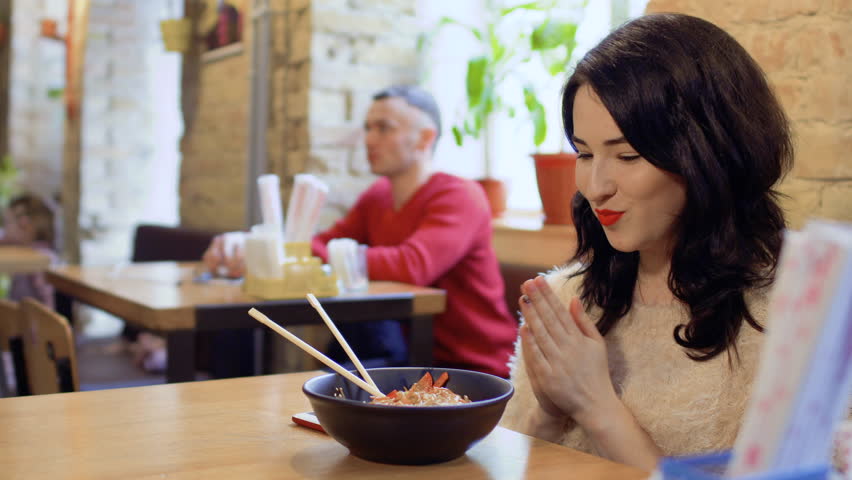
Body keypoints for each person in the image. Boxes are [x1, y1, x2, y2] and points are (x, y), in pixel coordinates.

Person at [499, 13, 793, 471]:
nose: (596, 186)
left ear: (707, 152)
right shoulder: (569, 300)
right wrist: (548, 413)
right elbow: (510, 466)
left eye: (627, 155)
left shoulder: (784, 319)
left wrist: (597, 406)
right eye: (584, 153)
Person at [203, 85, 518, 378]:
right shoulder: (377, 196)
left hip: (477, 369)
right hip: (413, 360)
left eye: (384, 128)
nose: (368, 139)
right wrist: (252, 244)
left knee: (324, 378)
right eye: (367, 128)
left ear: (424, 138)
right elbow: (320, 244)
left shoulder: (460, 195)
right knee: (314, 377)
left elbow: (412, 265)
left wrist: (324, 255)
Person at [0, 193, 57, 308]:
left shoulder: (42, 258)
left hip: (32, 323)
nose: (5, 230)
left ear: (24, 225)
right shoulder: (21, 249)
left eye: (8, 223)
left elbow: (48, 305)